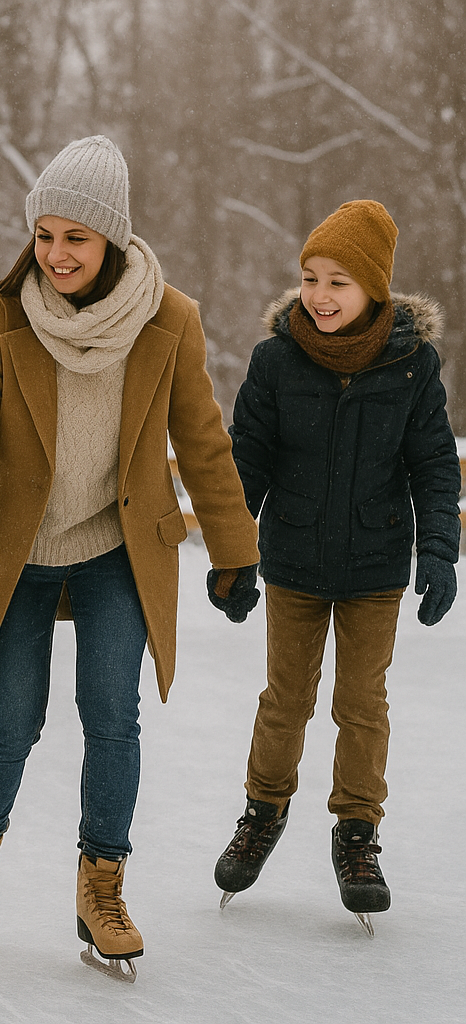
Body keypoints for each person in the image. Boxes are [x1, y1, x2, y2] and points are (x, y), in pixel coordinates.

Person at [0, 136, 260, 979]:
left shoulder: (167, 319)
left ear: (111, 238)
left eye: (76, 237)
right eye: (44, 235)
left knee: (113, 717)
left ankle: (101, 883)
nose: (56, 254)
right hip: (21, 551)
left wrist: (233, 549)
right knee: (14, 719)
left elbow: (204, 442)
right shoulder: (3, 317)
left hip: (116, 547)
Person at [213, 200, 459, 929]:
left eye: (339, 283)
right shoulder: (276, 359)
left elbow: (434, 466)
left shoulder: (413, 365)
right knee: (284, 698)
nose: (320, 296)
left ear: (375, 291)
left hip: (375, 564)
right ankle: (263, 811)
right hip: (290, 557)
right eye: (312, 278)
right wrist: (233, 555)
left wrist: (438, 551)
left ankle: (357, 833)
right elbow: (247, 457)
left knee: (361, 705)